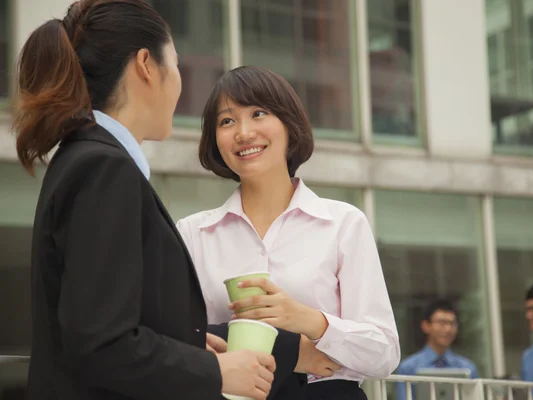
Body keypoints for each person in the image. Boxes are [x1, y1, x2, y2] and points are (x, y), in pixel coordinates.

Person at [12, 1, 276, 399]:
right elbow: (101, 344)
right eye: (175, 61)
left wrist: (178, 346)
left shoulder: (88, 158)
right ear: (146, 65)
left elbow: (101, 323)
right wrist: (213, 370)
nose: (180, 80)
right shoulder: (103, 168)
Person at [176, 65, 401, 400]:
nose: (244, 132)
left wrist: (311, 321)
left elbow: (383, 354)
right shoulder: (193, 232)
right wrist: (293, 349)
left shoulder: (342, 223)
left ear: (289, 124)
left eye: (258, 113)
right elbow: (178, 341)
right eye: (226, 121)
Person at [394, 300, 478, 400]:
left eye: (452, 323)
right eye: (441, 323)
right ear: (426, 326)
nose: (448, 329)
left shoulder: (467, 368)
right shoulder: (408, 368)